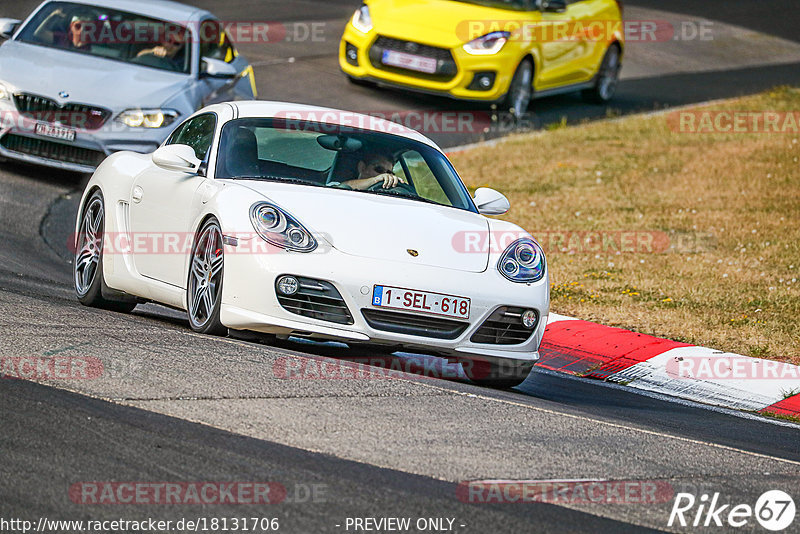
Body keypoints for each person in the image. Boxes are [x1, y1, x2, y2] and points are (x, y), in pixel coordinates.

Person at [339, 152, 407, 190]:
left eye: (389, 173)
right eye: (380, 170)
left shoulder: (389, 193)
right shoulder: (331, 187)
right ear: (362, 167)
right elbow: (342, 186)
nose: (385, 175)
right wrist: (375, 180)